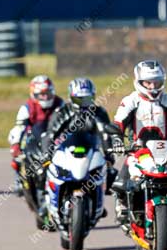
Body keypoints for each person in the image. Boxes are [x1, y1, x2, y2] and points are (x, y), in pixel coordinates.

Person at [110, 60, 167, 227]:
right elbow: (118, 123)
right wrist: (117, 139)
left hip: (166, 152)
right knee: (120, 184)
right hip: (138, 151)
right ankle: (122, 207)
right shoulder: (130, 101)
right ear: (138, 82)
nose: (153, 87)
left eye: (157, 82)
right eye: (148, 82)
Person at [39, 78, 119, 218]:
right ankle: (45, 200)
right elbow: (50, 134)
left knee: (112, 173)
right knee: (42, 170)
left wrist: (109, 155)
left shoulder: (99, 112)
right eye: (79, 99)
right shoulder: (62, 112)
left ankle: (98, 200)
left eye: (87, 99)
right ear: (71, 97)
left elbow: (105, 134)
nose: (83, 103)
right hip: (64, 152)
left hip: (90, 151)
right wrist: (47, 154)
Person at [7, 75, 64, 192]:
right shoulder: (27, 107)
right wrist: (16, 144)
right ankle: (19, 177)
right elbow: (19, 127)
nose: (45, 97)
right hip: (33, 139)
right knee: (18, 153)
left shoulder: (60, 104)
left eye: (48, 93)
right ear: (34, 94)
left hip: (56, 137)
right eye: (42, 94)